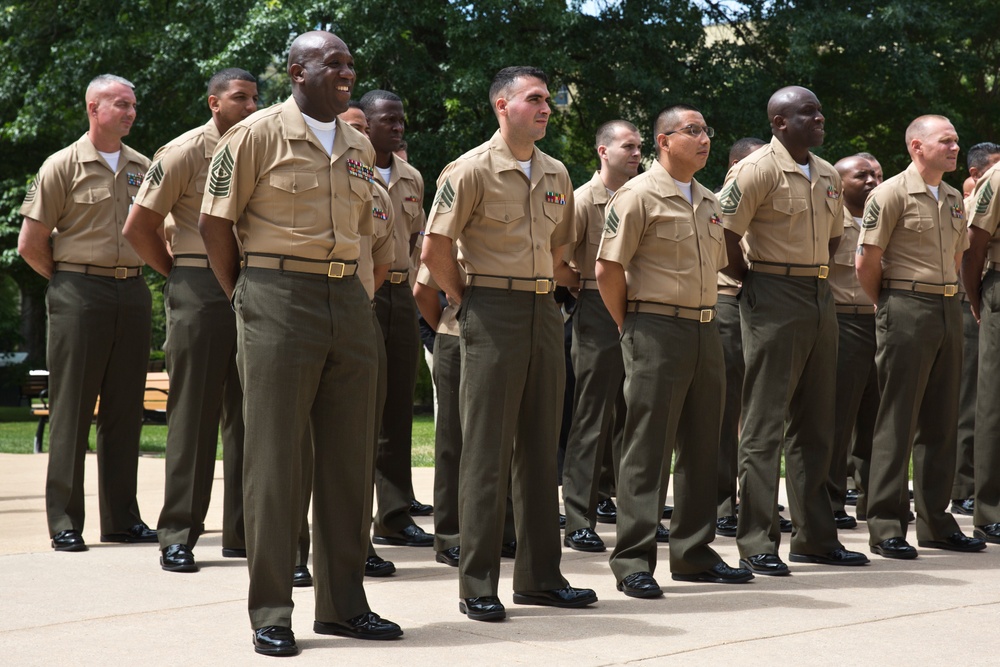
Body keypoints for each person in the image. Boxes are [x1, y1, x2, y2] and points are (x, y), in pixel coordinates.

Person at [198, 31, 402, 656]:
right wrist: (245, 296)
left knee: (348, 459)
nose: (346, 72)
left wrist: (359, 291)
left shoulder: (359, 142)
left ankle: (343, 606)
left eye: (348, 63)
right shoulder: (255, 135)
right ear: (297, 71)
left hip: (348, 299)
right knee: (276, 460)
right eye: (332, 63)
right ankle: (271, 610)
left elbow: (371, 225)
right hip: (277, 299)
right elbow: (213, 224)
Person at [421, 65, 596, 622]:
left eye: (549, 99)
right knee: (487, 453)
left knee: (543, 448)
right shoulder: (469, 169)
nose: (547, 107)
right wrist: (465, 300)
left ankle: (542, 577)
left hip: (543, 310)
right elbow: (435, 248)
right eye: (535, 98)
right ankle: (477, 583)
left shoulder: (557, 173)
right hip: (489, 309)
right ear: (503, 105)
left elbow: (562, 249)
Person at [596, 104, 753, 598]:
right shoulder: (637, 195)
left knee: (704, 445)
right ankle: (633, 560)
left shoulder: (709, 200)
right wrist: (632, 326)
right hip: (655, 328)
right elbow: (607, 270)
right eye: (692, 130)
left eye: (706, 130)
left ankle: (694, 553)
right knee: (648, 447)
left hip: (706, 329)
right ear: (663, 141)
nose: (704, 138)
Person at [718, 85, 869, 575]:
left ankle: (816, 538)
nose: (820, 118)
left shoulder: (826, 172)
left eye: (821, 110)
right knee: (764, 424)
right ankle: (758, 539)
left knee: (816, 422)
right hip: (772, 294)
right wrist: (754, 281)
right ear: (781, 122)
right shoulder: (756, 168)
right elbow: (724, 232)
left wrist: (811, 281)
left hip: (819, 295)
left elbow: (830, 240)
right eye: (808, 112)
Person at [123, 68, 258, 573]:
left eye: (254, 98)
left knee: (250, 417)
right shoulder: (181, 152)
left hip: (252, 284)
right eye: (239, 98)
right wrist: (177, 272)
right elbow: (139, 227)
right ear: (213, 103)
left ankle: (244, 533)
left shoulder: (257, 147)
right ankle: (178, 533)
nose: (249, 106)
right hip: (199, 285)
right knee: (194, 414)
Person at [18, 74, 155, 552]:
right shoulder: (62, 165)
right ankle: (64, 521)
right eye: (120, 104)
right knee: (73, 409)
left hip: (133, 292)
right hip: (78, 291)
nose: (130, 112)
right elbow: (31, 244)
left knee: (124, 411)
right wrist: (68, 281)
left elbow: (163, 229)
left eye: (133, 105)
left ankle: (122, 519)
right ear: (94, 108)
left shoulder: (145, 166)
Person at [856, 114, 986, 559]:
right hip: (905, 306)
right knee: (897, 418)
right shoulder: (890, 193)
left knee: (941, 420)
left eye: (955, 140)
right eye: (945, 141)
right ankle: (887, 524)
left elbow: (957, 257)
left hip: (946, 306)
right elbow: (866, 261)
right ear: (917, 147)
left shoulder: (953, 197)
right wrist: (890, 305)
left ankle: (936, 522)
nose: (954, 147)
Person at [359, 89, 435, 547]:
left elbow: (416, 241)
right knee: (358, 409)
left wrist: (406, 287)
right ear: (364, 124)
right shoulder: (350, 169)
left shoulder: (411, 178)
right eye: (388, 119)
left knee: (397, 409)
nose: (398, 126)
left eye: (401, 118)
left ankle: (393, 514)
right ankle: (351, 523)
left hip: (399, 297)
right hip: (360, 296)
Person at [561, 120, 641, 553]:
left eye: (639, 147)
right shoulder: (580, 200)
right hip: (595, 305)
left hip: (641, 307)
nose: (636, 153)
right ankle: (579, 518)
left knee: (634, 416)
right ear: (602, 151)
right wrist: (577, 286)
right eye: (627, 146)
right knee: (592, 415)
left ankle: (634, 513)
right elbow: (557, 257)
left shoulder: (642, 194)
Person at [714, 136, 766, 538]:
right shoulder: (714, 203)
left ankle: (754, 500)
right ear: (735, 167)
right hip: (727, 300)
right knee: (726, 407)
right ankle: (720, 503)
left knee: (759, 408)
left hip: (761, 306)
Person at [825, 155, 880, 528]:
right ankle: (830, 502)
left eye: (877, 174)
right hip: (842, 325)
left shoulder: (886, 218)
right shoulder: (830, 221)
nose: (872, 181)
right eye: (862, 175)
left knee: (876, 420)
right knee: (836, 420)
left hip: (881, 324)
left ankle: (873, 501)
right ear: (840, 182)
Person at [952, 142, 1000, 516]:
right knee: (982, 399)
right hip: (976, 293)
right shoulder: (995, 180)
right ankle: (981, 500)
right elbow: (973, 249)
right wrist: (973, 299)